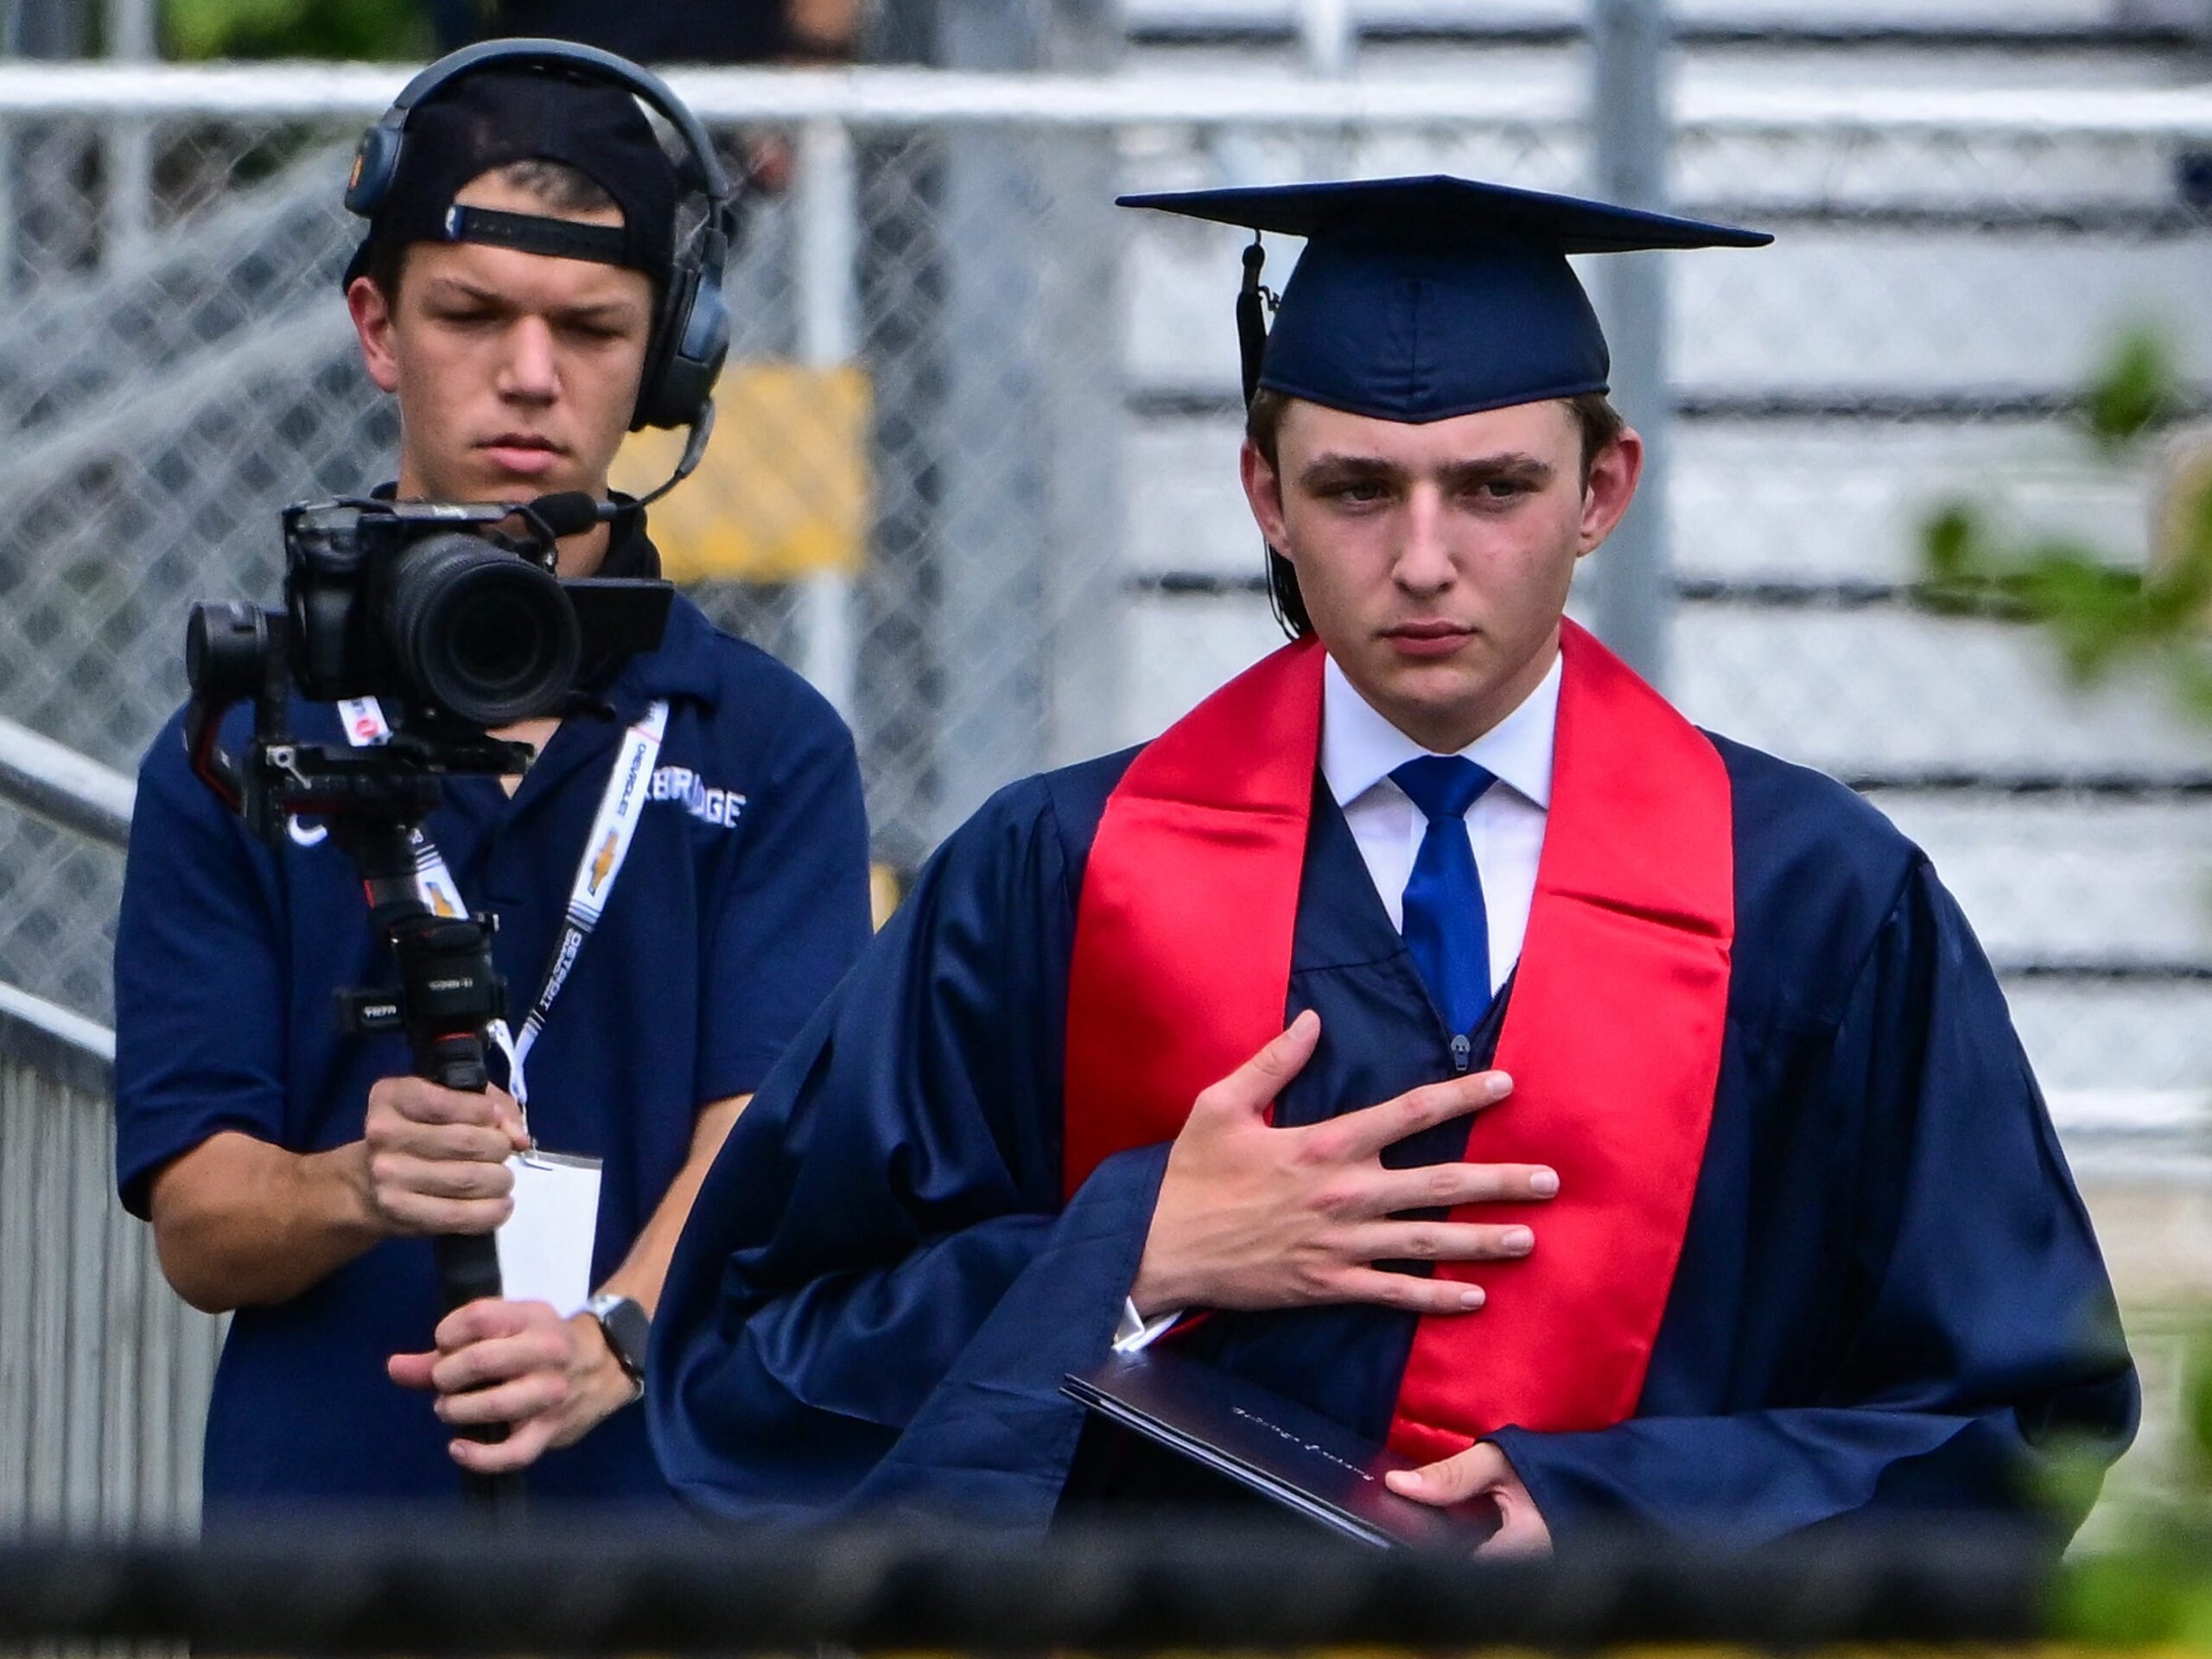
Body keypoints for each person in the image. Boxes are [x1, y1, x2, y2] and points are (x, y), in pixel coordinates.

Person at [646, 175, 2139, 1548]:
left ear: (1603, 490)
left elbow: (2020, 1418)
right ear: (1265, 496)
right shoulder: (1052, 878)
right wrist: (1130, 1257)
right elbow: (750, 1371)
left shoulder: (1816, 906)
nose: (1424, 558)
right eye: (1358, 489)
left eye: (1494, 488)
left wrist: (1620, 1519)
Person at [112, 44, 872, 1512]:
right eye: (472, 314)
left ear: (665, 365)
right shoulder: (237, 735)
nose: (529, 375)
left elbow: (763, 1137)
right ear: (377, 328)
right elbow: (199, 1223)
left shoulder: (766, 743)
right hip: (327, 1548)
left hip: (662, 1543)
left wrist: (612, 1342)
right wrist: (353, 1184)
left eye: (591, 328)